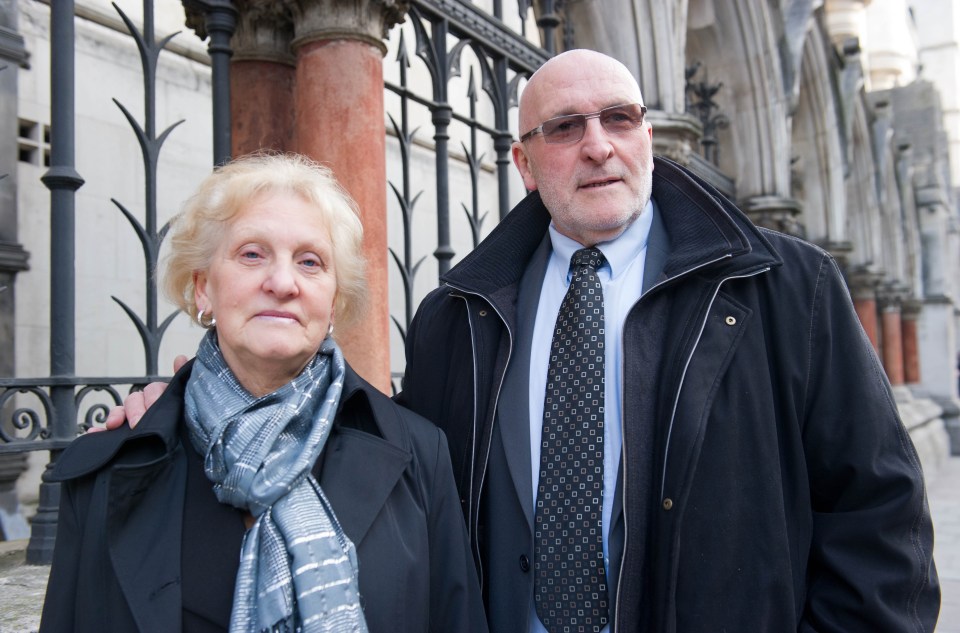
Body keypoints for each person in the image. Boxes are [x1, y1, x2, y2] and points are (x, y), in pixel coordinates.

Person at [109, 50, 939, 632]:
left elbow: (878, 508)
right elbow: (382, 463)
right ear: (524, 161)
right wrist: (189, 405)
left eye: (620, 118)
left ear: (649, 136)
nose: (599, 144)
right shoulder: (460, 314)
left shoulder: (779, 289)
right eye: (566, 127)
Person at [40, 153, 487, 633]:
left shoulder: (419, 453)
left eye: (310, 261)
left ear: (333, 301)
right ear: (203, 289)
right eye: (252, 254)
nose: (282, 283)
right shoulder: (108, 468)